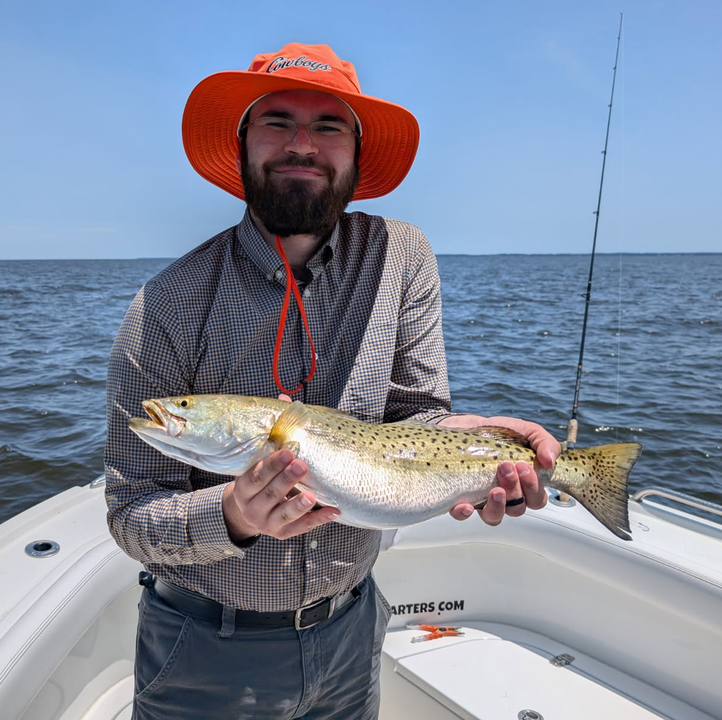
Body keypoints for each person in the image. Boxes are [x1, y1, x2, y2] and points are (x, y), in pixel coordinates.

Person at [105, 42, 559, 720]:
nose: (301, 145)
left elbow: (417, 416)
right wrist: (231, 516)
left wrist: (467, 439)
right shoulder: (166, 306)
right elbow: (129, 512)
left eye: (328, 126)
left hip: (351, 631)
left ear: (354, 151)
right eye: (277, 121)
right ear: (242, 144)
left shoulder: (403, 255)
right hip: (204, 651)